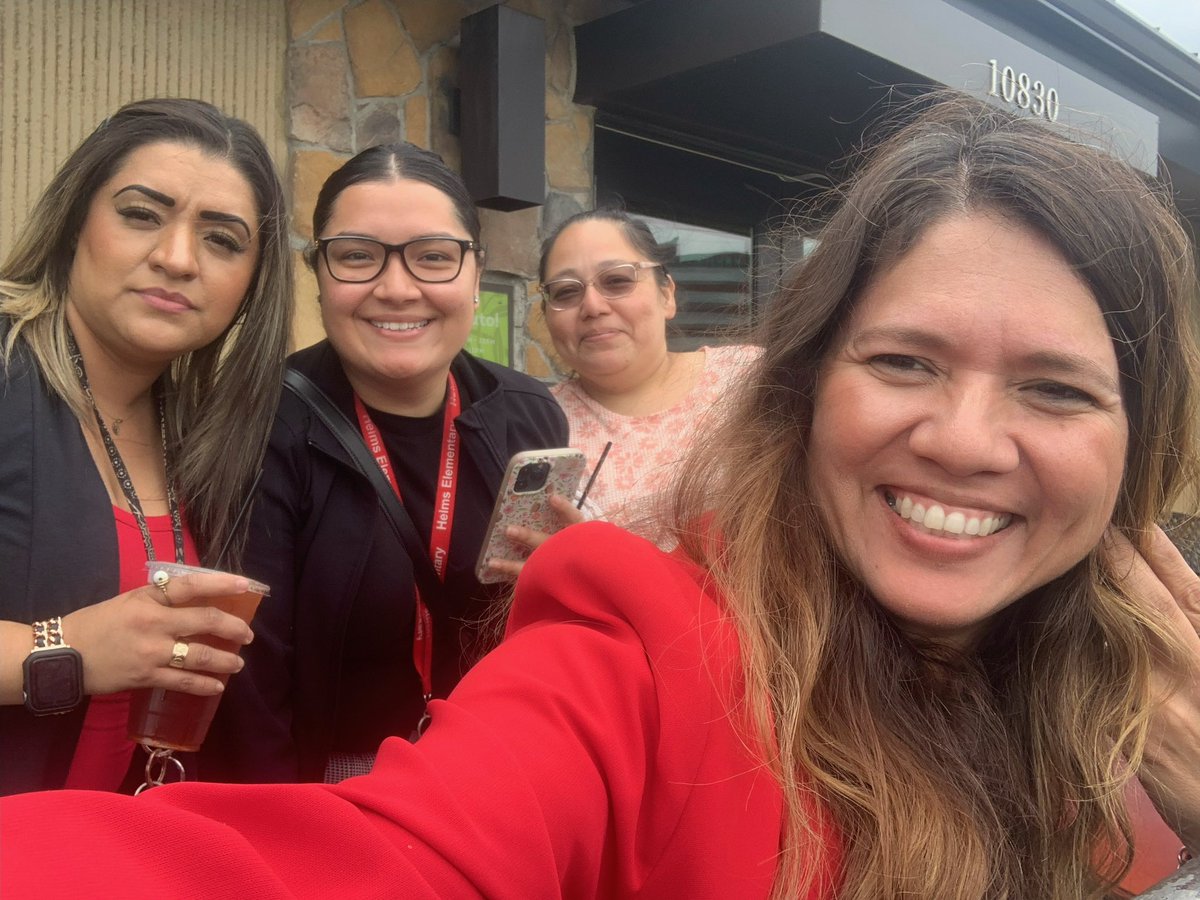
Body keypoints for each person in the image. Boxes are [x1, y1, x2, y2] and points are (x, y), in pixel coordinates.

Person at [3, 93, 1199, 899]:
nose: (964, 438)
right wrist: (60, 654)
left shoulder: (520, 414)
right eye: (903, 363)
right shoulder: (260, 421)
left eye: (1056, 388)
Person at [199, 142, 569, 784]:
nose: (397, 289)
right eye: (357, 256)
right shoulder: (258, 424)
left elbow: (551, 638)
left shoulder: (529, 415)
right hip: (334, 797)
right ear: (318, 275)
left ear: (476, 275)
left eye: (433, 257)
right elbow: (250, 691)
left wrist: (563, 577)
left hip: (497, 776)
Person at [0, 98, 293, 795]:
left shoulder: (201, 432)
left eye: (222, 239)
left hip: (103, 850)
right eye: (140, 214)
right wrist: (65, 650)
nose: (177, 258)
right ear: (77, 224)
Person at [537, 209, 760, 549]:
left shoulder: (749, 378)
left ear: (667, 295)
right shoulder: (535, 422)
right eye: (566, 292)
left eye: (617, 280)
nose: (592, 306)